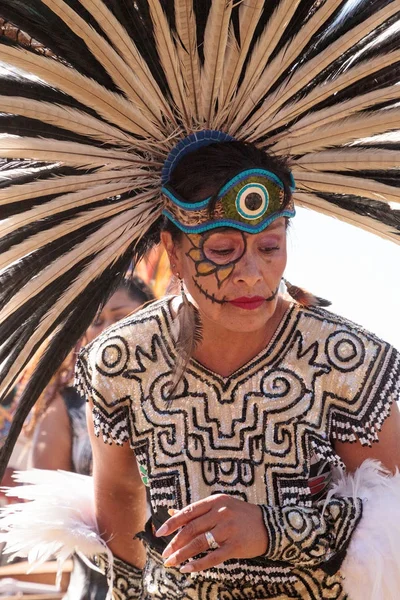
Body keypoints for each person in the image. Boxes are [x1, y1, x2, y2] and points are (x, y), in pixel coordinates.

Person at [1, 3, 400, 600]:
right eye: (221, 248)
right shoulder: (119, 362)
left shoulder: (351, 361)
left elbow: (392, 524)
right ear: (173, 247)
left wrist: (271, 529)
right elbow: (120, 520)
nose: (251, 273)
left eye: (269, 246)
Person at [27, 277, 154, 600]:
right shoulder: (65, 406)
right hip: (98, 587)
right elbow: (43, 502)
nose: (107, 329)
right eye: (95, 322)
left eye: (119, 316)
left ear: (151, 315)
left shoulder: (187, 399)